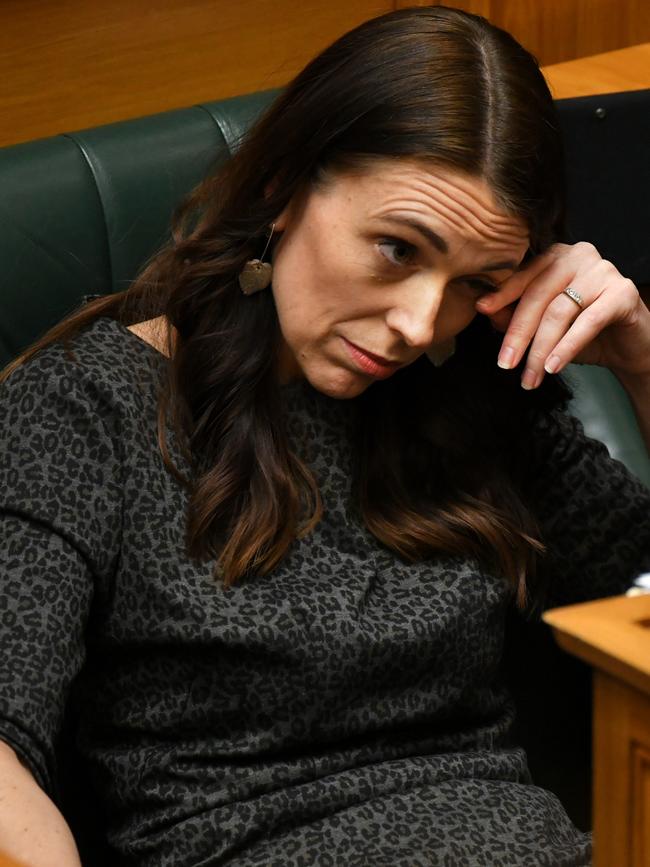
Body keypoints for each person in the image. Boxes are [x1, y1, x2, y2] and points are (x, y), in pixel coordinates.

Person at [1, 5, 649, 866]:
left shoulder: (467, 386)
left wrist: (643, 364)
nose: (421, 323)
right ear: (282, 188)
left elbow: (639, 592)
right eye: (396, 249)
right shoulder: (90, 408)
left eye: (474, 280)